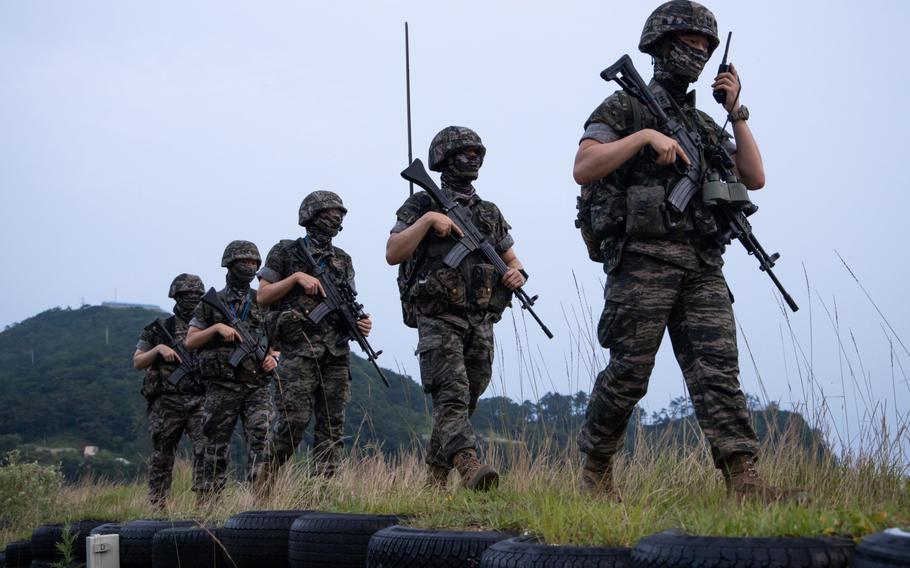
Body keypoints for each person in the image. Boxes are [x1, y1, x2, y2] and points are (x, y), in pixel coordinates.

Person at [573, 0, 801, 502]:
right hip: (643, 262)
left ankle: (744, 479)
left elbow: (754, 177)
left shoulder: (702, 125)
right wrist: (643, 138)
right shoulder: (624, 107)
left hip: (702, 264)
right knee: (629, 372)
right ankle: (595, 472)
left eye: (704, 50)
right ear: (659, 47)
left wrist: (735, 111)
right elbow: (585, 165)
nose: (696, 56)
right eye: (687, 46)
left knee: (718, 372)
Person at [386, 126, 526, 491]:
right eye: (466, 152)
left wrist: (516, 275)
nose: (474, 159)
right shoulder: (421, 204)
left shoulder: (489, 212)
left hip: (479, 318)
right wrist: (430, 221)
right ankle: (469, 466)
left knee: (466, 398)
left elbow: (512, 259)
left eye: (479, 153)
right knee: (450, 393)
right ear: (445, 158)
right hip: (438, 316)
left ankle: (434, 479)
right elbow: (393, 251)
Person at [256, 191, 372, 477]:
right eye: (330, 213)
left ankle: (323, 493)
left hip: (335, 353)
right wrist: (295, 278)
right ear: (311, 216)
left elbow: (347, 302)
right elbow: (263, 296)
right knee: (292, 423)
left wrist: (361, 323)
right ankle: (265, 478)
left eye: (340, 215)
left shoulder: (342, 260)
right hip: (298, 352)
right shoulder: (285, 251)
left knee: (332, 428)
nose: (336, 219)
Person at [185, 240, 277, 500]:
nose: (248, 267)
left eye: (253, 263)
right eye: (243, 263)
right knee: (214, 444)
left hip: (257, 384)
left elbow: (276, 339)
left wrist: (273, 357)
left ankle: (261, 503)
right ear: (229, 265)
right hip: (222, 385)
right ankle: (208, 504)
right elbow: (190, 341)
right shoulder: (212, 302)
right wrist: (215, 329)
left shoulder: (262, 300)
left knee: (262, 441)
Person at [133, 273, 207, 509]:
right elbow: (138, 362)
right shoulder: (159, 329)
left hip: (199, 399)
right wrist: (159, 350)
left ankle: (204, 502)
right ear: (176, 297)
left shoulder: (206, 327)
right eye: (187, 296)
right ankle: (158, 505)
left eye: (197, 296)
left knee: (205, 450)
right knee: (162, 455)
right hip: (167, 402)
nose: (192, 300)